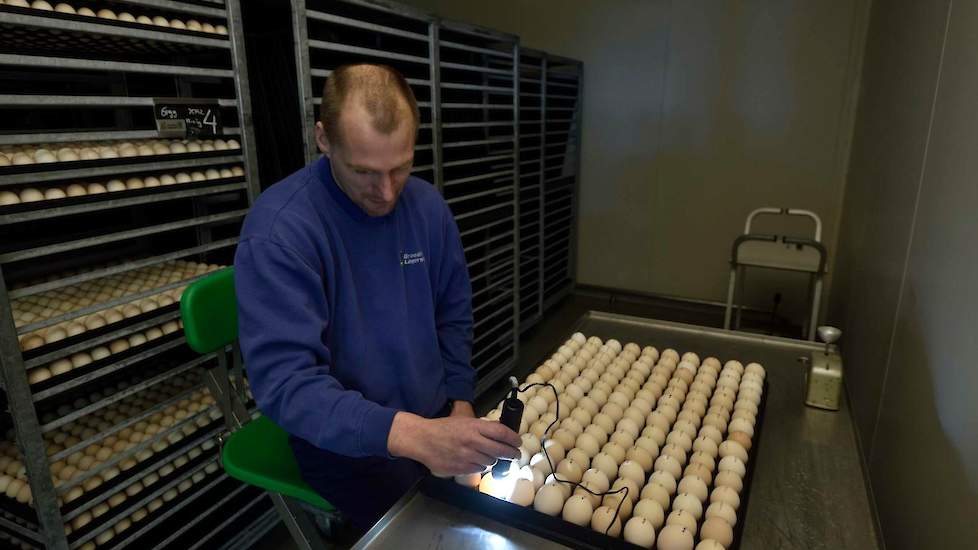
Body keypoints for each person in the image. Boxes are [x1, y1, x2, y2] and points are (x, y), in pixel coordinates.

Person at [233, 63, 521, 531]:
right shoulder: (281, 232)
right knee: (439, 527)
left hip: (432, 413)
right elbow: (287, 386)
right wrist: (410, 435)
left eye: (401, 168)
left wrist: (460, 404)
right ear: (323, 139)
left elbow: (453, 312)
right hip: (345, 441)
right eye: (364, 171)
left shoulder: (427, 208)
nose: (386, 192)